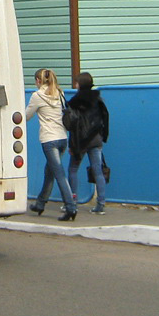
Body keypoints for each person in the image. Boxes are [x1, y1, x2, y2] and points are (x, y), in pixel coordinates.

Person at [25, 68, 77, 221]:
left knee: (59, 173)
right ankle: (40, 204)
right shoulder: (59, 93)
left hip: (49, 140)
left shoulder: (37, 96)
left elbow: (27, 116)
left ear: (39, 81)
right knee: (50, 172)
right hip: (62, 138)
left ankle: (71, 208)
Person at [66, 72, 110, 214]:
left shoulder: (75, 101)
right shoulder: (98, 98)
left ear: (81, 84)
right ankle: (101, 204)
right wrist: (104, 135)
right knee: (98, 171)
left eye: (77, 82)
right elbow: (105, 116)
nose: (75, 84)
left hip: (80, 142)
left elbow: (73, 125)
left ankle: (72, 202)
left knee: (73, 169)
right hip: (96, 140)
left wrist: (71, 145)